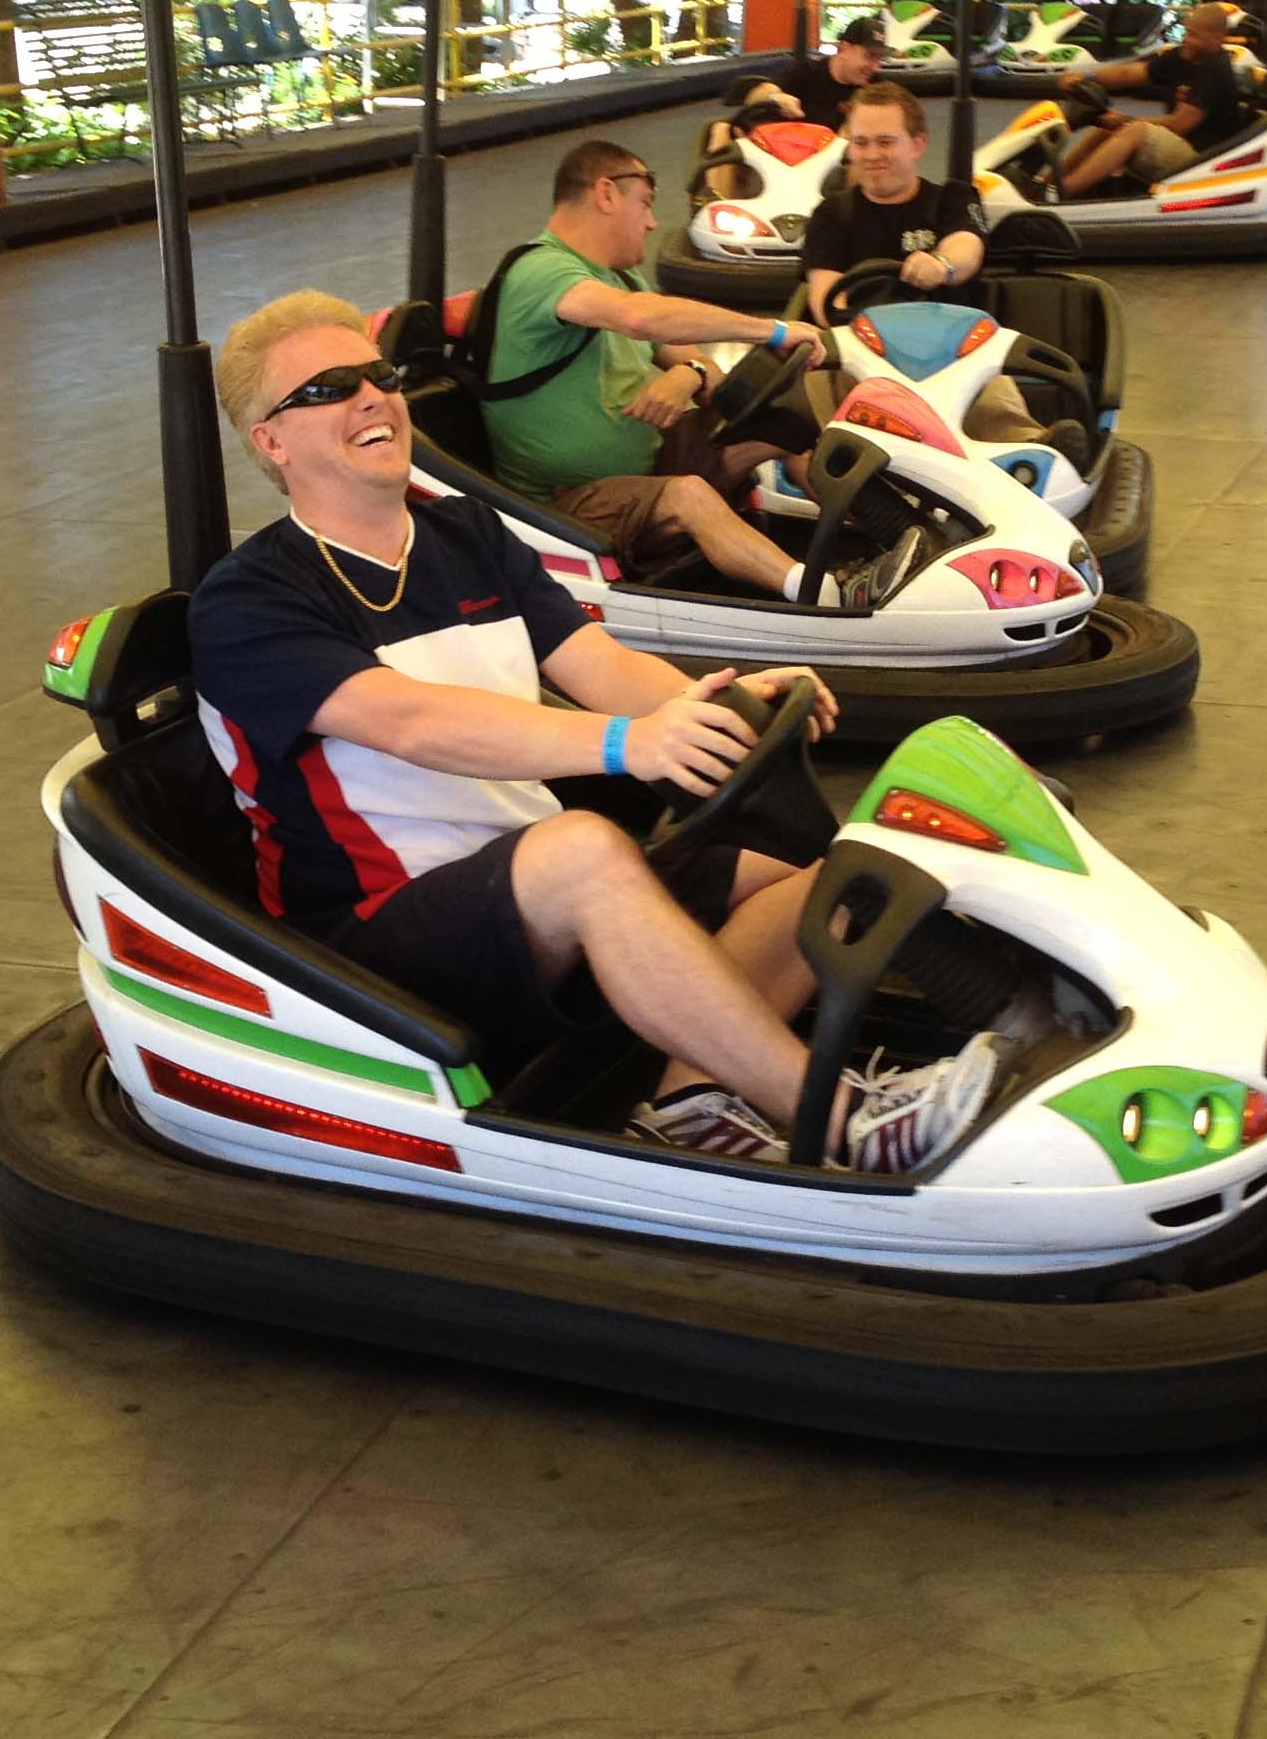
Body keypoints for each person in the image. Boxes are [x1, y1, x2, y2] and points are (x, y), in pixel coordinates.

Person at [192, 289, 1001, 1169]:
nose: (368, 396)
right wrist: (627, 745)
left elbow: (601, 667)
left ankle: (689, 1098)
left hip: (530, 888)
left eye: (378, 376)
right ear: (269, 440)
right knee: (584, 849)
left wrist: (713, 699)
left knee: (835, 875)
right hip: (378, 937)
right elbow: (415, 723)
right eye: (325, 388)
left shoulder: (463, 532)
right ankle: (844, 1122)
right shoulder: (248, 599)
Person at [479, 141, 918, 605]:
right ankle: (830, 596)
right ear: (606, 194)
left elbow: (701, 364)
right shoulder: (540, 269)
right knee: (689, 496)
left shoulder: (621, 278)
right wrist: (769, 331)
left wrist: (690, 372)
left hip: (645, 465)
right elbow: (637, 318)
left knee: (780, 426)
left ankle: (904, 536)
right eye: (645, 204)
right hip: (564, 506)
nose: (652, 223)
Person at [796, 80, 1050, 448]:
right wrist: (864, 332)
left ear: (917, 144)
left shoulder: (951, 199)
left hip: (952, 348)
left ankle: (1030, 447)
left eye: (885, 142)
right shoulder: (832, 214)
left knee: (991, 383)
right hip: (866, 349)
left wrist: (941, 265)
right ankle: (835, 461)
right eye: (861, 142)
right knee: (820, 366)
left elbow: (967, 247)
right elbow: (825, 300)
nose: (870, 154)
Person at [1054, 1, 1253, 196]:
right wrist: (1086, 75)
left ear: (1217, 38)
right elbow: (1129, 73)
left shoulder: (1216, 69)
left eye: (1194, 35)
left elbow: (1179, 124)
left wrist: (1126, 120)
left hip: (1202, 160)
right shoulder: (1182, 56)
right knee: (1104, 128)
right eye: (1187, 32)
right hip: (1180, 145)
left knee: (1135, 131)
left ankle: (1063, 192)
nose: (1186, 39)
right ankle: (1048, 183)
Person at [700, 16, 888, 200]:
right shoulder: (805, 71)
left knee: (861, 136)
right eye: (869, 57)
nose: (874, 66)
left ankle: (854, 214)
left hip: (831, 166)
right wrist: (777, 97)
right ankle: (715, 206)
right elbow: (759, 94)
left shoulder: (876, 89)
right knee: (721, 129)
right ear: (845, 48)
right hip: (776, 157)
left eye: (879, 59)